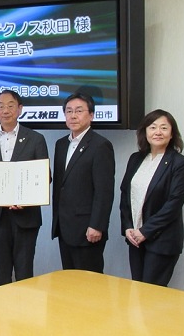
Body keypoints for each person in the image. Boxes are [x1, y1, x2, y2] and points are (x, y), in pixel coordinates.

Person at [0, 90, 48, 286]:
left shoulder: (35, 138)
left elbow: (45, 176)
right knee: (1, 272)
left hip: (26, 216)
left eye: (10, 105)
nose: (5, 110)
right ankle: (2, 314)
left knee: (24, 271)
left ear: (20, 109)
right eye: (1, 106)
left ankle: (24, 314)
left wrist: (26, 199)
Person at [120, 110, 184, 286]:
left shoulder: (179, 163)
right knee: (137, 290)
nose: (158, 132)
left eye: (164, 128)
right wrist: (128, 227)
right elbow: (125, 195)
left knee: (152, 296)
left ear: (172, 133)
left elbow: (174, 204)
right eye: (153, 127)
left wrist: (145, 231)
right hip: (135, 239)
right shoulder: (135, 159)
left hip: (161, 241)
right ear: (145, 132)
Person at [52, 93, 115, 273]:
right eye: (69, 111)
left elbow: (104, 191)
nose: (73, 116)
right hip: (64, 226)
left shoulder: (100, 145)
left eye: (79, 111)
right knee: (69, 281)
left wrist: (97, 225)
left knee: (90, 284)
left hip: (87, 229)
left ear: (91, 115)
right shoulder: (61, 144)